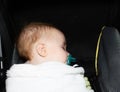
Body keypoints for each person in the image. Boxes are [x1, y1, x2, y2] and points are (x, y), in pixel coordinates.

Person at [6, 22, 94, 92]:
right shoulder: (61, 73)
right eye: (63, 48)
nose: (68, 53)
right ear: (42, 50)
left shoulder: (19, 76)